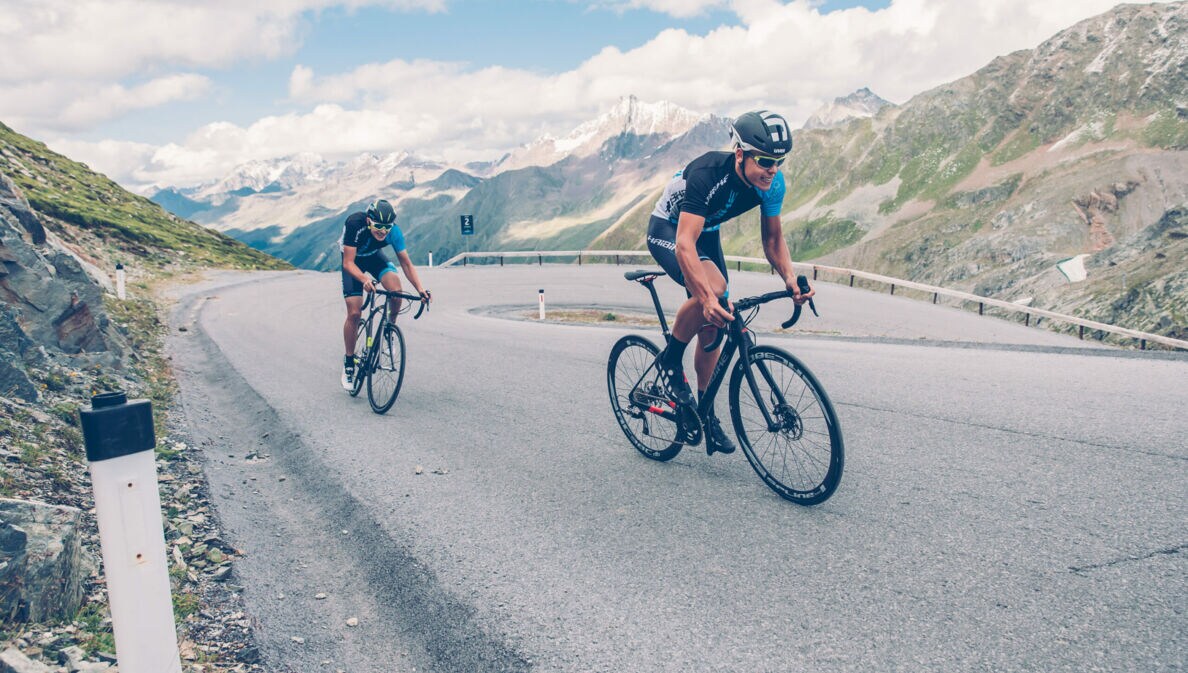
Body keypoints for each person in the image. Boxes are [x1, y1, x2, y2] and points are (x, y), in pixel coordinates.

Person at [646, 110, 815, 455]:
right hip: (670, 230)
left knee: (715, 325)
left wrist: (789, 279)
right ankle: (670, 359)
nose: (773, 169)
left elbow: (772, 241)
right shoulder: (708, 174)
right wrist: (706, 296)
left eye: (779, 161)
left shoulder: (772, 183)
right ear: (740, 153)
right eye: (765, 160)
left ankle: (704, 413)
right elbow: (683, 245)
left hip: (705, 233)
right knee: (716, 292)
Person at [340, 199, 430, 390]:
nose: (383, 231)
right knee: (355, 313)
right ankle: (349, 363)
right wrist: (364, 279)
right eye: (378, 226)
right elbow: (348, 263)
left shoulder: (394, 232)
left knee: (396, 293)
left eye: (387, 227)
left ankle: (389, 330)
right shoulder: (355, 224)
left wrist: (420, 290)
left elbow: (405, 263)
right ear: (369, 221)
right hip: (353, 262)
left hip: (374, 258)